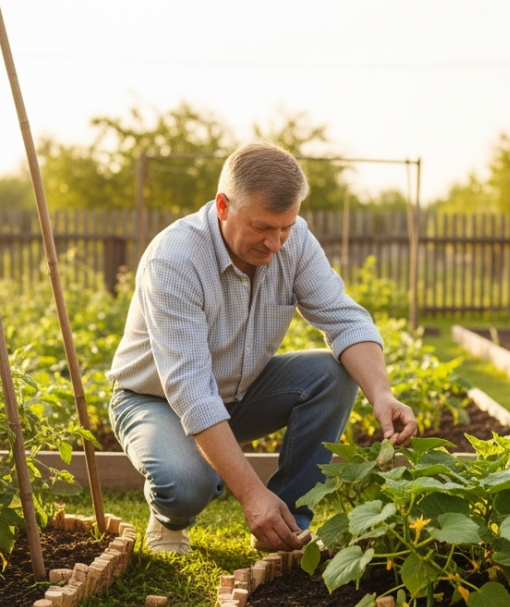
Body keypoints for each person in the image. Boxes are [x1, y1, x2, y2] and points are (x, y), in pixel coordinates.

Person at [107, 142, 418, 555]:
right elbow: (191, 391)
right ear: (222, 206)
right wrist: (251, 494)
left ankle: (286, 526)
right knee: (189, 483)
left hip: (240, 393)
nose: (275, 242)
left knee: (333, 375)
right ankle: (170, 518)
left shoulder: (295, 241)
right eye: (262, 227)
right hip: (154, 400)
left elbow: (347, 320)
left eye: (285, 227)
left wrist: (382, 394)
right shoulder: (175, 260)